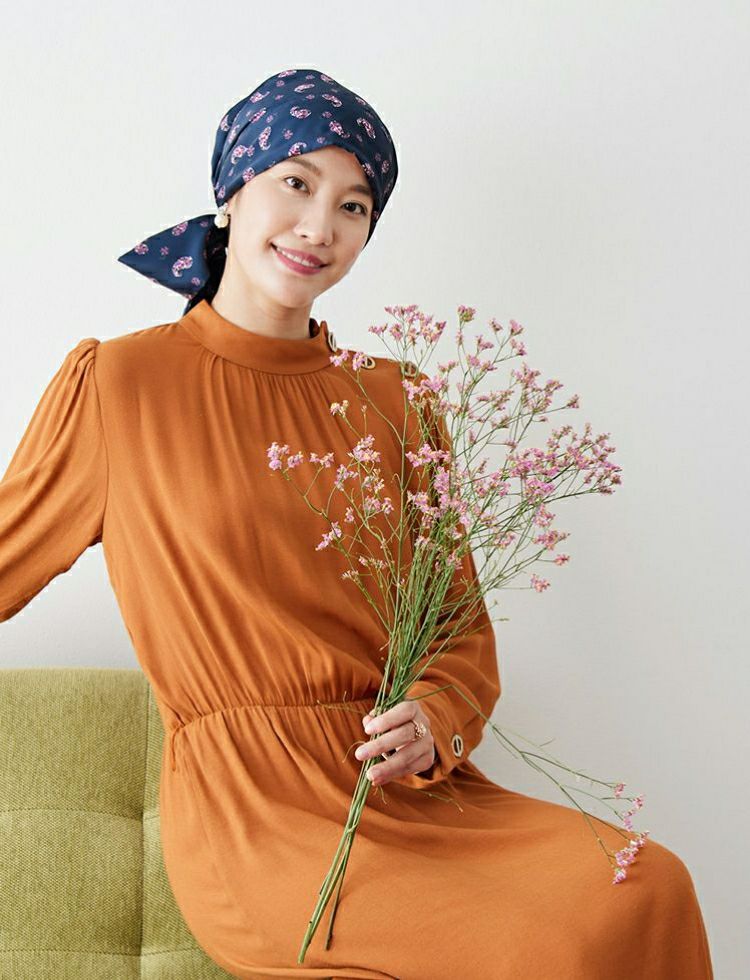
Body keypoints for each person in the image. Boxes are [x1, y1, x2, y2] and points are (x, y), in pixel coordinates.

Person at [0, 68, 714, 979]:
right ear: (232, 192)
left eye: (353, 206)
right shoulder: (120, 384)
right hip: (256, 815)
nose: (318, 226)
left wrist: (436, 716)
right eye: (295, 183)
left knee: (649, 884)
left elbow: (458, 627)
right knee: (542, 945)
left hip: (402, 787)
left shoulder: (395, 399)